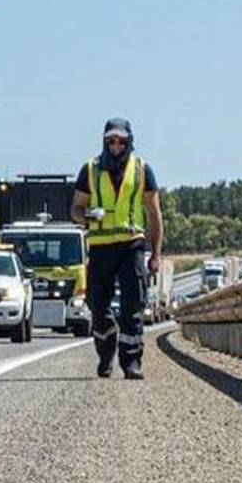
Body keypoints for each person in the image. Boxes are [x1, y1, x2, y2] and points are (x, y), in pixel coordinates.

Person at [70, 118, 163, 380]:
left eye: (121, 141)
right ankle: (106, 346)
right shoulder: (90, 169)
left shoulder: (142, 169)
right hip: (100, 247)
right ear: (104, 140)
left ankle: (131, 361)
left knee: (133, 304)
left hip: (131, 244)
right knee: (97, 305)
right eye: (111, 140)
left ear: (129, 141)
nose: (116, 145)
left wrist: (155, 254)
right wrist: (88, 215)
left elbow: (155, 215)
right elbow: (75, 209)